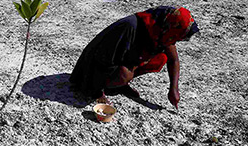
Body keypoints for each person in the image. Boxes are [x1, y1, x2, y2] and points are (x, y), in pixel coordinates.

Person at [70, 6, 199, 108]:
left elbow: (173, 60)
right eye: (176, 37)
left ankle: (118, 85)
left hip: (117, 61)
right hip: (92, 68)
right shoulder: (133, 27)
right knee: (124, 75)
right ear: (171, 29)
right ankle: (110, 85)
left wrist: (173, 89)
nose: (174, 42)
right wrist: (98, 92)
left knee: (161, 58)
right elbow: (103, 59)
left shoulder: (162, 29)